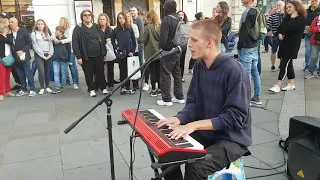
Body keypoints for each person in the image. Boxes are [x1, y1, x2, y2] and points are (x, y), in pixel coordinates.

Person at [156, 19, 251, 180]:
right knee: (167, 153)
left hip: (230, 139)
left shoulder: (234, 71)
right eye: (189, 40)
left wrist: (194, 125)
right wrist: (179, 119)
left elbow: (235, 118)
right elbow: (193, 103)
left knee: (196, 167)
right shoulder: (200, 66)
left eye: (194, 40)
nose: (189, 44)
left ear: (209, 42)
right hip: (207, 133)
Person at [269, 0, 306, 93]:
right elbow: (280, 28)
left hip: (292, 45)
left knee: (283, 65)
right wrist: (280, 33)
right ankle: (291, 84)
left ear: (296, 7)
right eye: (287, 7)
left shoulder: (301, 19)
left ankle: (278, 85)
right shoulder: (287, 18)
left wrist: (292, 20)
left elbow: (291, 28)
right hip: (284, 44)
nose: (288, 9)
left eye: (290, 7)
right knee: (289, 65)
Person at [72, 10, 109, 97]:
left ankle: (103, 87)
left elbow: (102, 40)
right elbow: (75, 43)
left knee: (100, 72)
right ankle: (92, 89)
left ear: (92, 17)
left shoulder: (96, 27)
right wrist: (78, 57)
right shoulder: (78, 28)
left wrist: (104, 53)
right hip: (86, 56)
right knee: (88, 74)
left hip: (98, 55)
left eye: (89, 15)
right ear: (82, 17)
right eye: (85, 15)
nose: (87, 16)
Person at [157, 0, 185, 106]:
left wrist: (160, 49)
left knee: (165, 74)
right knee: (177, 74)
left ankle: (166, 99)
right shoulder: (178, 18)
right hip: (178, 49)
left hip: (168, 51)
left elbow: (163, 38)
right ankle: (179, 97)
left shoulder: (166, 19)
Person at [237, 0, 262, 105]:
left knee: (246, 74)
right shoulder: (256, 10)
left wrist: (240, 44)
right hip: (254, 45)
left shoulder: (248, 11)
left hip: (246, 46)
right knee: (255, 72)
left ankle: (246, 99)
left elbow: (245, 29)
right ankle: (256, 97)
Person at [8, 17, 35, 97]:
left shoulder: (23, 31)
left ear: (16, 23)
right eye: (9, 22)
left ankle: (32, 89)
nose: (10, 24)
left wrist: (22, 50)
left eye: (12, 22)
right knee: (20, 74)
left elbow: (29, 43)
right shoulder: (9, 34)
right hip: (15, 58)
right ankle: (24, 89)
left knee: (28, 73)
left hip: (24, 57)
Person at [111, 12, 136, 95]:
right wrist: (116, 48)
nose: (121, 20)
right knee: (122, 70)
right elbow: (112, 40)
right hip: (121, 53)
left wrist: (132, 51)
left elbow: (134, 41)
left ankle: (128, 86)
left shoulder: (129, 28)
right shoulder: (116, 30)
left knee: (129, 70)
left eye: (122, 18)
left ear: (125, 19)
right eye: (119, 18)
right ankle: (123, 87)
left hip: (129, 53)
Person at [55, 17, 79, 90]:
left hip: (70, 51)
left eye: (61, 21)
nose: (60, 22)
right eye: (59, 21)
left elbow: (70, 39)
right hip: (62, 52)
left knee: (72, 67)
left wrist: (61, 41)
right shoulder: (59, 30)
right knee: (64, 67)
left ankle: (75, 82)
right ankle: (67, 80)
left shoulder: (70, 29)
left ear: (65, 22)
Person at [31, 19, 53, 95]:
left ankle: (47, 86)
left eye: (41, 24)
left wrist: (50, 54)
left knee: (47, 71)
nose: (40, 25)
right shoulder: (34, 33)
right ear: (36, 25)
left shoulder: (47, 33)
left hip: (48, 55)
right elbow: (35, 46)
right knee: (41, 71)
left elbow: (51, 45)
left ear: (44, 25)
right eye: (38, 24)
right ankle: (42, 88)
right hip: (39, 55)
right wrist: (43, 56)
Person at [142, 10, 161, 97]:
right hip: (159, 52)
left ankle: (153, 90)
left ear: (149, 17)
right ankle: (160, 89)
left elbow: (143, 40)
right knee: (159, 72)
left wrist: (139, 39)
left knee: (152, 72)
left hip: (150, 53)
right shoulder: (160, 27)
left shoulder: (147, 27)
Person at [130, 7, 147, 90]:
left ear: (137, 12)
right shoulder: (130, 20)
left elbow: (141, 31)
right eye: (131, 11)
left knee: (140, 62)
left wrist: (140, 42)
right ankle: (135, 78)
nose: (132, 12)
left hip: (139, 44)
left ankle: (141, 79)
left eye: (133, 11)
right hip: (133, 45)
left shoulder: (139, 20)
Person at [51, 26, 71, 94]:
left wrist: (69, 59)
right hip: (55, 59)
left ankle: (62, 85)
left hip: (63, 59)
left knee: (63, 73)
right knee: (56, 73)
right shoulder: (54, 39)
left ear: (61, 32)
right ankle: (57, 86)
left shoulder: (65, 39)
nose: (55, 31)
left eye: (57, 30)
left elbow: (68, 49)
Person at [267, 1, 285, 72]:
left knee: (282, 51)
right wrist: (269, 31)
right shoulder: (273, 15)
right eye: (277, 5)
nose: (278, 7)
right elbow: (268, 24)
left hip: (284, 36)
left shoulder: (286, 16)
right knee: (273, 51)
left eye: (279, 5)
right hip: (275, 36)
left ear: (283, 6)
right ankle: (273, 65)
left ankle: (281, 65)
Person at [0, 22, 17, 101]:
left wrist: (9, 34)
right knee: (2, 77)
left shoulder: (7, 36)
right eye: (6, 28)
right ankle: (1, 93)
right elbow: (10, 42)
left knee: (7, 76)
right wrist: (9, 34)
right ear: (2, 28)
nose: (8, 29)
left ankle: (8, 91)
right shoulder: (1, 37)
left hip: (8, 58)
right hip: (2, 59)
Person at [98, 13, 114, 90]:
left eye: (103, 19)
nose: (102, 21)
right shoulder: (97, 29)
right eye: (100, 19)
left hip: (109, 50)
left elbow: (112, 39)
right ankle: (102, 83)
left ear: (106, 20)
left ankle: (111, 84)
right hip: (99, 51)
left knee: (110, 67)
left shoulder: (110, 30)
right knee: (100, 68)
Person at [125, 11, 140, 92]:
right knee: (127, 67)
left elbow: (137, 35)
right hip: (126, 50)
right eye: (126, 16)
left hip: (134, 49)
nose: (127, 18)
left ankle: (135, 84)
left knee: (134, 66)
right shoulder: (123, 27)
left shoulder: (134, 26)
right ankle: (127, 84)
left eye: (128, 16)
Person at [304, 0, 320, 71]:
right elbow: (302, 21)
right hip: (308, 33)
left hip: (317, 34)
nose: (314, 2)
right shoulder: (306, 11)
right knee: (308, 50)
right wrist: (305, 26)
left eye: (316, 1)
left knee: (315, 52)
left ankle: (314, 66)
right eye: (313, 1)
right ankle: (307, 65)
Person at [305, 13, 320, 79]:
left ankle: (319, 72)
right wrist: (319, 29)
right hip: (316, 41)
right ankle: (311, 72)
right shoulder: (317, 18)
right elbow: (312, 28)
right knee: (313, 57)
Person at [177, 10, 189, 82]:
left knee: (182, 61)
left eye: (182, 14)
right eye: (179, 14)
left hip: (184, 44)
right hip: (177, 45)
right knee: (177, 61)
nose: (181, 16)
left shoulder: (186, 24)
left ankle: (181, 76)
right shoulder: (175, 23)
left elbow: (187, 34)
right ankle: (177, 76)